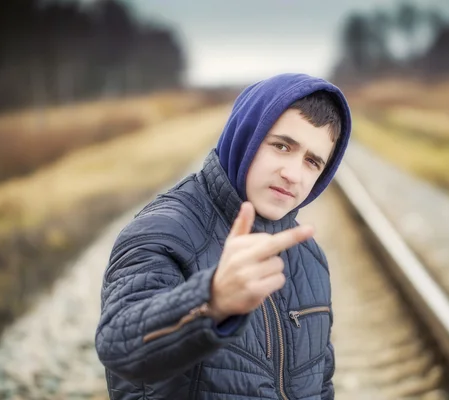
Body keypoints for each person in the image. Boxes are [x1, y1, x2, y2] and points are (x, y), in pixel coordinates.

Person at [95, 73, 352, 399]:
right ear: (245, 136)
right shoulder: (162, 231)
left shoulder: (309, 257)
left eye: (312, 162)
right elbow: (118, 345)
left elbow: (321, 383)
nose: (293, 174)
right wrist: (210, 301)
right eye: (281, 146)